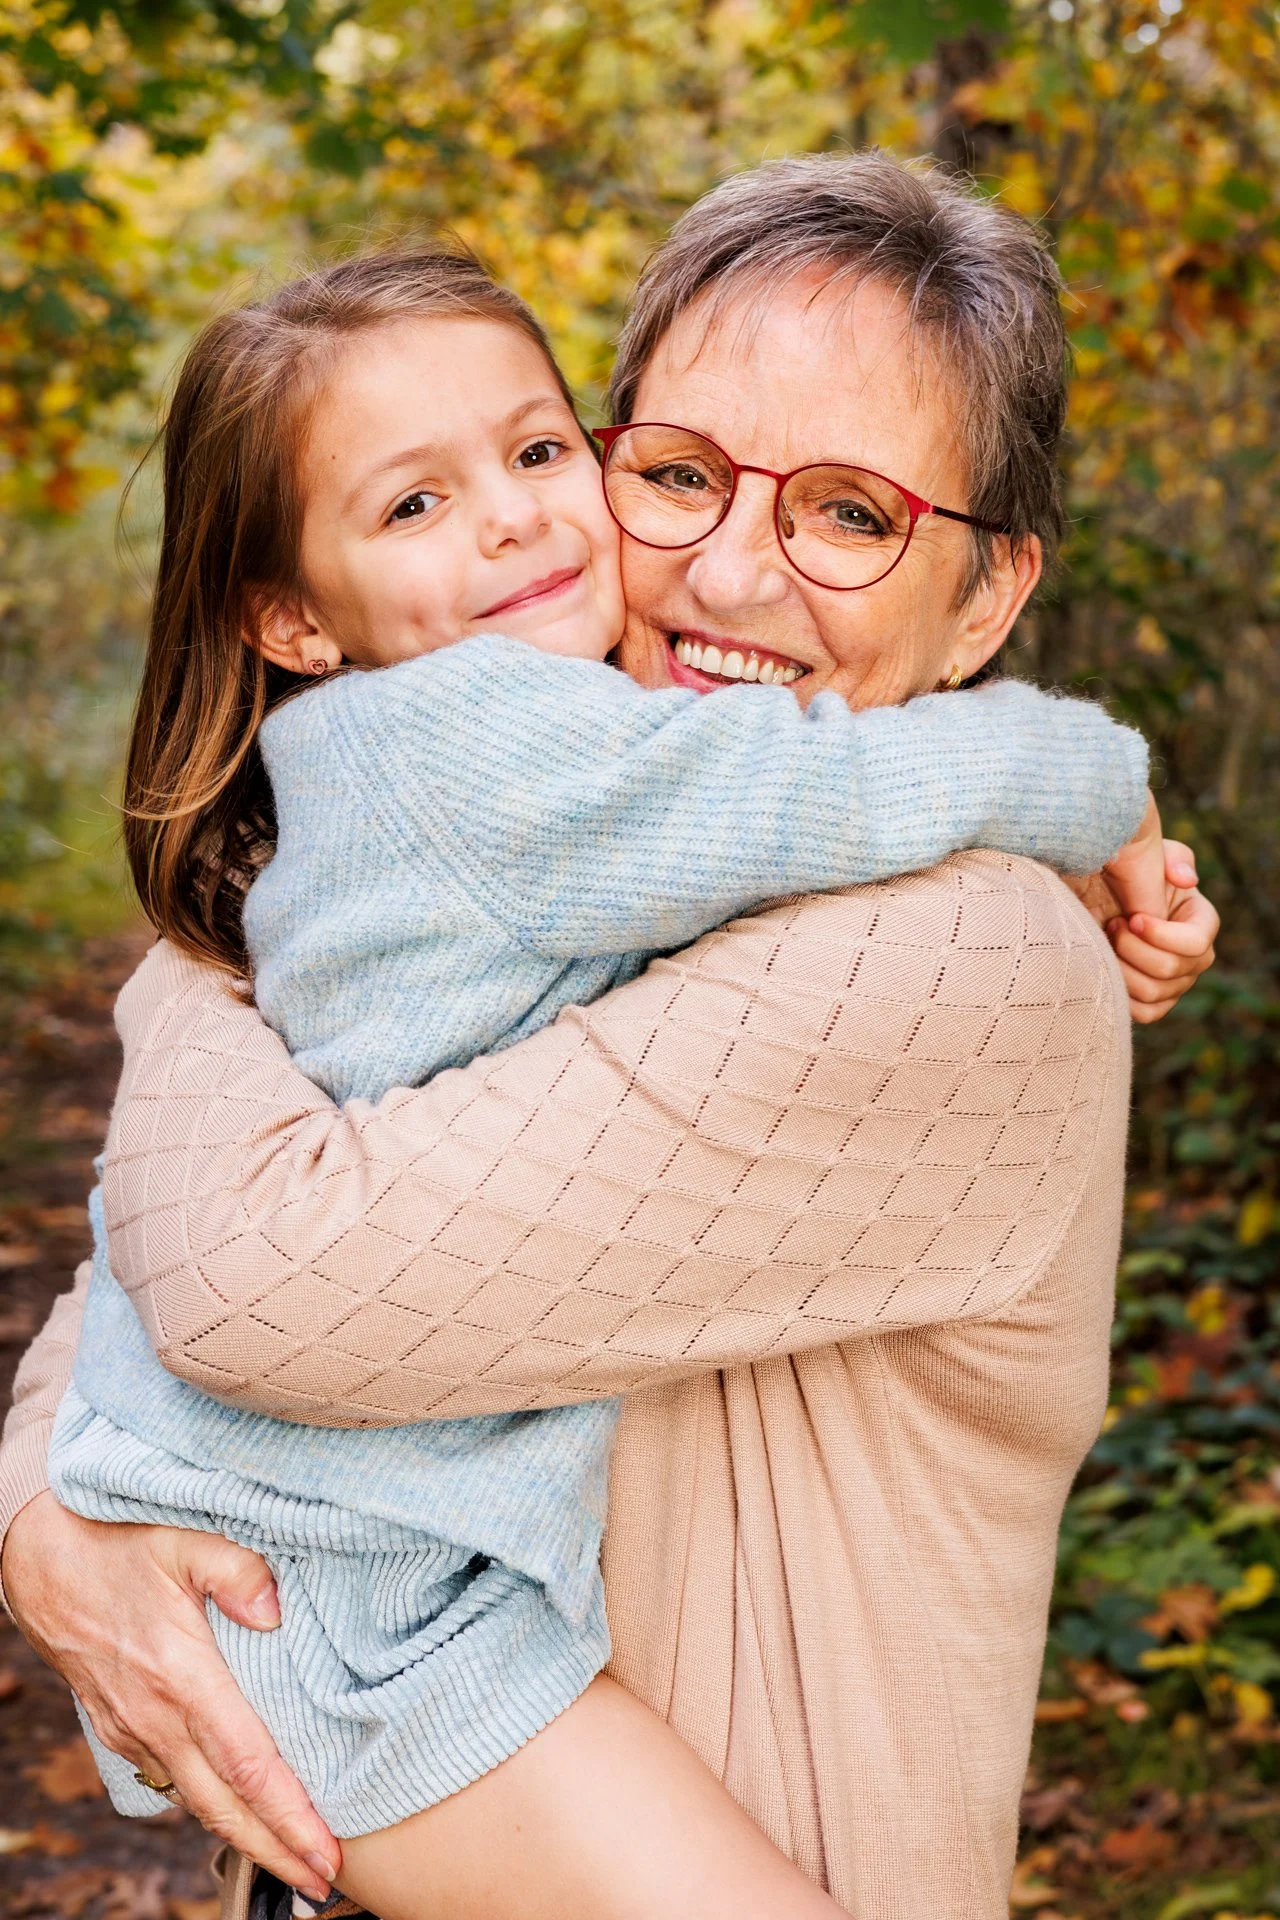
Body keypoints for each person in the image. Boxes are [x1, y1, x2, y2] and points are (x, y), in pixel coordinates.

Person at [0, 151, 1219, 1920]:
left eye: (852, 514)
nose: (728, 570)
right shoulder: (578, 883)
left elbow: (245, 1276)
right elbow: (136, 1277)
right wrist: (44, 1516)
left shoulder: (963, 951)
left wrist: (197, 966)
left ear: (987, 605)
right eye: (679, 473)